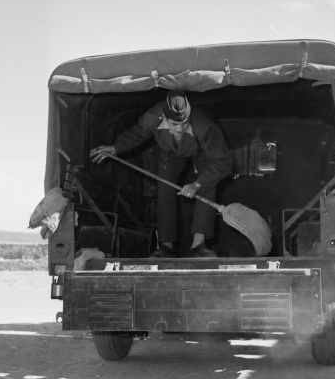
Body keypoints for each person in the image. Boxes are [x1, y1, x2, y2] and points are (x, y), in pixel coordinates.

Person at [90, 90, 233, 257]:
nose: (179, 129)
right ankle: (166, 247)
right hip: (170, 151)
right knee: (164, 188)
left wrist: (197, 184)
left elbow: (224, 162)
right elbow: (136, 134)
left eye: (184, 123)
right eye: (174, 124)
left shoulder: (204, 124)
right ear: (164, 118)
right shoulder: (151, 118)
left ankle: (198, 246)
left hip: (202, 151)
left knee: (207, 183)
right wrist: (116, 147)